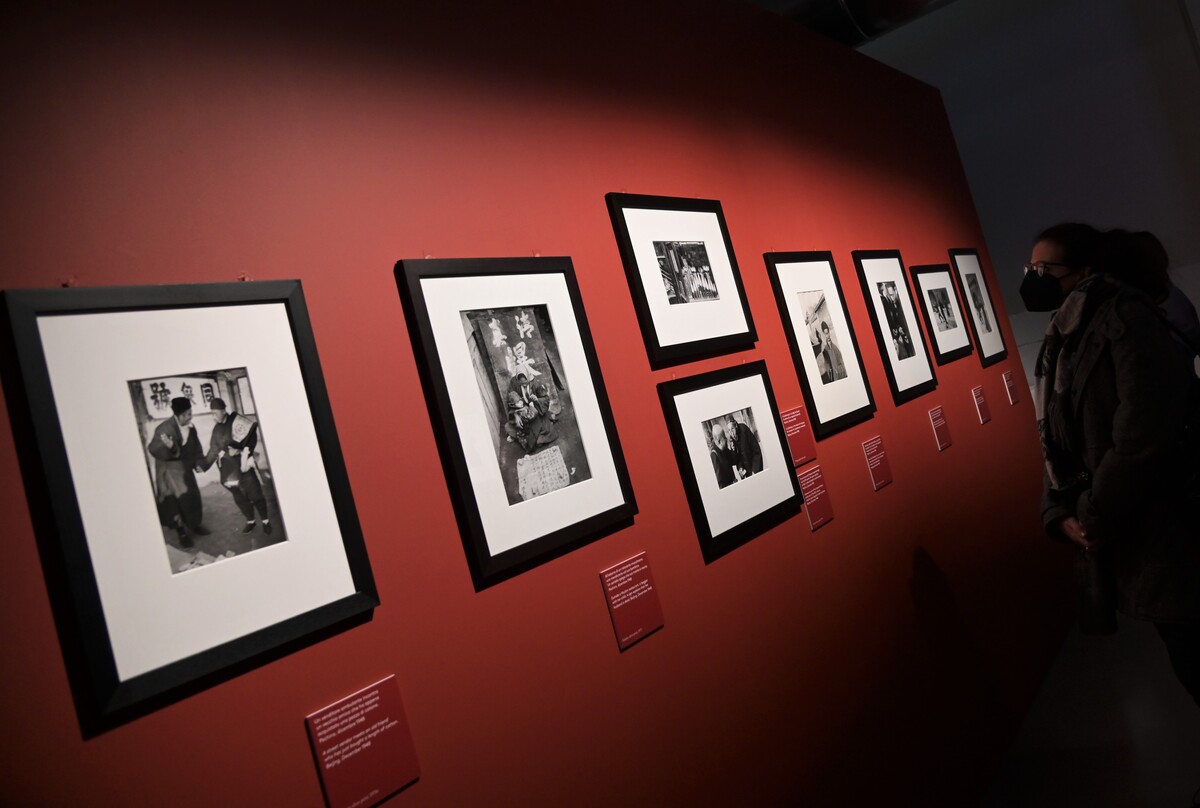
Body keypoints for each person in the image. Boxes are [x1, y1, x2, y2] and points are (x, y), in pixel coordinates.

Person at [1024, 221, 1200, 705]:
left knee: (1193, 652)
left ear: (1083, 269)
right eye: (1029, 267)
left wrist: (1093, 513)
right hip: (1137, 527)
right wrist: (1059, 512)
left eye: (1044, 268)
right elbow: (1061, 435)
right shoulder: (1067, 334)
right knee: (1184, 650)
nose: (1033, 277)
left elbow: (1141, 434)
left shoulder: (1123, 320)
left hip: (1170, 525)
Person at [199, 398, 273, 535]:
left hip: (244, 464)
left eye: (215, 413)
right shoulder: (217, 429)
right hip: (228, 469)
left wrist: (243, 450)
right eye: (212, 413)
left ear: (223, 410)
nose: (213, 416)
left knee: (256, 494)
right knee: (239, 497)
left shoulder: (237, 421)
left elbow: (252, 437)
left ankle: (265, 520)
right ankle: (250, 521)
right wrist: (204, 466)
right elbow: (214, 449)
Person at [148, 396, 209, 547]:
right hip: (169, 472)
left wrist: (199, 463)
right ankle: (181, 532)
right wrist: (169, 447)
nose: (190, 416)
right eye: (188, 414)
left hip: (185, 470)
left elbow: (196, 447)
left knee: (192, 497)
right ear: (179, 415)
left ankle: (194, 524)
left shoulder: (190, 427)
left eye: (191, 413)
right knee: (175, 503)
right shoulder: (164, 428)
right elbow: (153, 449)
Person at [726, 415, 762, 479]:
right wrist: (740, 468)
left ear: (736, 426)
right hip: (746, 473)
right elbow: (737, 459)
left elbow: (756, 451)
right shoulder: (731, 438)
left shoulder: (744, 429)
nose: (731, 433)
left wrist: (755, 471)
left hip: (755, 469)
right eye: (729, 430)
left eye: (732, 429)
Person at [708, 421, 737, 488]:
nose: (726, 439)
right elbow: (720, 484)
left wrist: (733, 449)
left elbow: (734, 461)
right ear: (718, 441)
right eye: (724, 437)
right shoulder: (714, 455)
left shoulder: (724, 449)